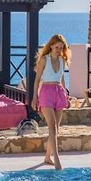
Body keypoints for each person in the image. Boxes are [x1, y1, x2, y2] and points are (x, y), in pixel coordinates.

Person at [31, 34, 71, 170]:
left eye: (61, 47)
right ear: (51, 46)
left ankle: (47, 157)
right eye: (57, 47)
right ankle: (57, 159)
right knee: (52, 127)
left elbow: (62, 78)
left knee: (56, 129)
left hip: (59, 92)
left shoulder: (62, 60)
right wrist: (34, 98)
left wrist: (66, 95)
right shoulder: (44, 60)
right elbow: (37, 79)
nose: (59, 50)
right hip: (46, 93)